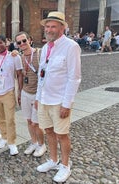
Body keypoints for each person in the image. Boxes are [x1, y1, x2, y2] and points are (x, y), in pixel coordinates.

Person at [35, 11, 81, 182]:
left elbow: (74, 78)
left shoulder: (71, 46)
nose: (49, 29)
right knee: (48, 131)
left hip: (59, 101)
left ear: (62, 27)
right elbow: (42, 75)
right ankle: (53, 160)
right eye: (47, 26)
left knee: (62, 134)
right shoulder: (46, 47)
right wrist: (38, 98)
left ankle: (65, 165)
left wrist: (67, 104)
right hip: (44, 99)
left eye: (53, 26)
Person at [0, 35, 23, 156]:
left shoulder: (14, 57)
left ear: (6, 43)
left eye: (0, 43)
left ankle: (12, 142)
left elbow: (19, 75)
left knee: (10, 119)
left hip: (8, 92)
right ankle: (4, 136)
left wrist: (20, 92)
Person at [15, 31, 47, 157]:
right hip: (25, 92)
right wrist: (19, 92)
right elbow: (21, 77)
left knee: (36, 123)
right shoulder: (20, 57)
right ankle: (33, 142)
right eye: (19, 42)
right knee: (29, 121)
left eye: (24, 40)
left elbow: (45, 76)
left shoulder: (39, 54)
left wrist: (41, 97)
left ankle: (41, 144)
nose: (22, 43)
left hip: (37, 94)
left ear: (30, 40)